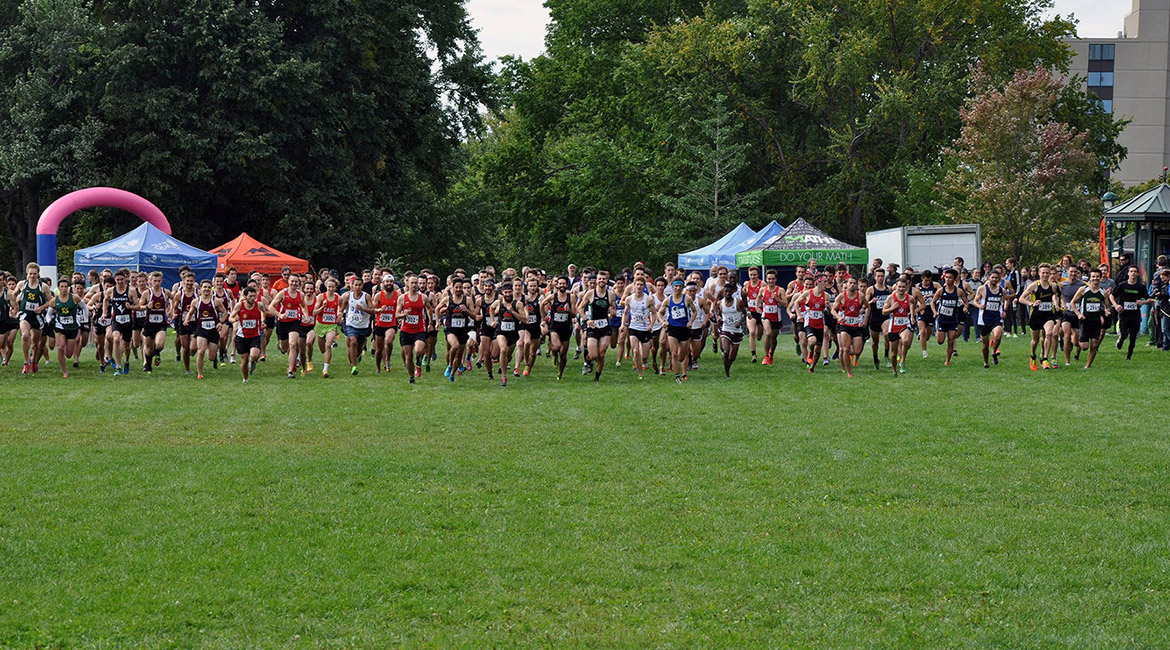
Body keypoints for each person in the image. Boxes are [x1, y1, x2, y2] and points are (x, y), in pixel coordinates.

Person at [1019, 263, 1060, 370]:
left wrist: (1056, 304)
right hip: (1036, 315)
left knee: (1049, 334)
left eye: (1048, 273)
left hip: (1048, 315)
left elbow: (1055, 295)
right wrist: (1031, 304)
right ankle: (1033, 356)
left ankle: (1045, 359)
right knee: (1035, 341)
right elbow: (1021, 299)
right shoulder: (1034, 285)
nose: (1045, 275)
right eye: (1043, 273)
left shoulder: (1053, 286)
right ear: (1039, 273)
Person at [437, 277, 478, 382]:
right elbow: (437, 309)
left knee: (459, 356)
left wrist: (467, 311)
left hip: (463, 330)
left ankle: (452, 374)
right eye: (457, 287)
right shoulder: (448, 299)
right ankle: (450, 365)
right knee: (454, 346)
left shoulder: (467, 300)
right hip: (451, 329)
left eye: (460, 287)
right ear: (452, 288)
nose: (459, 289)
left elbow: (474, 316)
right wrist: (437, 321)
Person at [185, 279, 227, 379]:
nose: (207, 289)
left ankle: (215, 357)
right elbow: (190, 313)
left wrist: (221, 322)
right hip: (201, 330)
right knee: (201, 351)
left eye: (209, 287)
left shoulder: (215, 301)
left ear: (211, 288)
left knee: (211, 357)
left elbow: (225, 312)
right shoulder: (196, 302)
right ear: (200, 289)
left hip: (213, 330)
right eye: (205, 287)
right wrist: (186, 320)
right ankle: (200, 374)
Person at [580, 271, 617, 381]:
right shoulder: (590, 293)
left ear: (606, 280)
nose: (601, 281)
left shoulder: (610, 294)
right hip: (593, 326)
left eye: (603, 279)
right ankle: (588, 361)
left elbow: (613, 307)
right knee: (594, 355)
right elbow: (580, 308)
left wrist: (612, 312)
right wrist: (587, 320)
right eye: (599, 279)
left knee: (601, 354)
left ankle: (597, 377)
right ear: (596, 281)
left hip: (605, 327)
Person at [1071, 269, 1110, 369]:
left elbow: (1107, 306)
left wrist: (1107, 311)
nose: (1095, 278)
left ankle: (1087, 366)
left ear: (1100, 277)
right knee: (1084, 347)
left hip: (1096, 321)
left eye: (1097, 276)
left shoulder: (1103, 292)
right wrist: (1078, 314)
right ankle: (1074, 338)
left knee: (1094, 345)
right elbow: (1072, 303)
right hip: (1085, 320)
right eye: (1093, 276)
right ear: (1090, 278)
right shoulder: (1083, 289)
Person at [1111, 266, 1152, 361]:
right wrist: (1116, 305)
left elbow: (1149, 299)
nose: (1133, 273)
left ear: (1137, 274)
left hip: (1135, 315)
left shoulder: (1140, 287)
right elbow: (1112, 296)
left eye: (1135, 271)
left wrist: (1143, 302)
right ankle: (1120, 341)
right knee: (1124, 334)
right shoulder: (1122, 285)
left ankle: (1129, 356)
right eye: (1131, 271)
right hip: (1124, 314)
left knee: (1133, 337)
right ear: (1128, 273)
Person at [268, 274, 306, 379]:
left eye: (296, 282)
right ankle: (281, 346)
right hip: (283, 322)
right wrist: (280, 315)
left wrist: (306, 316)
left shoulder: (301, 295)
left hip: (295, 322)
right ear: (288, 282)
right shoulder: (282, 293)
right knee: (285, 348)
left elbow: (304, 307)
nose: (294, 283)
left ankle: (290, 370)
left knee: (293, 344)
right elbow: (271, 307)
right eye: (292, 281)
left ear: (299, 283)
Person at [491, 281, 527, 387]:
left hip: (513, 333)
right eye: (505, 292)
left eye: (509, 292)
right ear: (502, 293)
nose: (507, 294)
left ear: (512, 292)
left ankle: (505, 364)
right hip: (501, 332)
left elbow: (525, 319)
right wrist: (493, 320)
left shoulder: (518, 304)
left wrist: (513, 312)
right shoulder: (499, 302)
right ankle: (504, 376)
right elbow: (491, 308)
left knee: (508, 354)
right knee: (503, 350)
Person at [229, 286, 268, 383]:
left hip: (255, 335)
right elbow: (230, 317)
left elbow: (264, 312)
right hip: (242, 336)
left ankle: (253, 361)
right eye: (250, 296)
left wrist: (262, 321)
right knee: (244, 359)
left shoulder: (259, 305)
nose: (252, 298)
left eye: (254, 296)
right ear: (245, 296)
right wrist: (234, 320)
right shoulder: (239, 305)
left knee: (254, 355)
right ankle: (245, 378)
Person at [659, 279, 694, 383]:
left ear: (682, 287)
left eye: (680, 286)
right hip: (672, 328)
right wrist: (663, 322)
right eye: (676, 286)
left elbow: (695, 311)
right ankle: (677, 376)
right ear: (672, 287)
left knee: (681, 356)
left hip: (684, 329)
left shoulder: (687, 299)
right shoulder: (668, 300)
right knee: (674, 353)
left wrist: (690, 321)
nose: (678, 288)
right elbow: (659, 313)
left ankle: (680, 368)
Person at [792, 273, 829, 373]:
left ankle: (812, 367)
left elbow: (829, 311)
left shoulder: (826, 296)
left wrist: (828, 306)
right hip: (810, 323)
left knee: (818, 350)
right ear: (819, 282)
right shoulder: (808, 293)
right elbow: (796, 302)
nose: (827, 283)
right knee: (812, 342)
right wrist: (799, 315)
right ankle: (810, 352)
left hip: (820, 324)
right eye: (824, 281)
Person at [832, 276, 868, 377]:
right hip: (845, 325)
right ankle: (848, 372)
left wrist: (865, 320)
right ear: (846, 285)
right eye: (850, 283)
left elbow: (868, 307)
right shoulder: (841, 296)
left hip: (856, 326)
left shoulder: (860, 296)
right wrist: (838, 317)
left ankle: (845, 356)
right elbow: (832, 310)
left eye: (854, 283)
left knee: (856, 351)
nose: (852, 285)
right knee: (846, 349)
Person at [397, 274, 430, 383]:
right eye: (412, 283)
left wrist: (431, 322)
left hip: (419, 329)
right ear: (407, 283)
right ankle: (411, 377)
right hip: (406, 330)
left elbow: (429, 309)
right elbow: (396, 315)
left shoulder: (423, 298)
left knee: (419, 350)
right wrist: (403, 314)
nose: (414, 285)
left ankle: (419, 361)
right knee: (408, 356)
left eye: (416, 283)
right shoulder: (402, 298)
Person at [542, 275, 576, 380]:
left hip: (566, 327)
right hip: (554, 326)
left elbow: (574, 314)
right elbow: (541, 304)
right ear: (557, 285)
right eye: (560, 283)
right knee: (556, 347)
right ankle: (554, 355)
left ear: (567, 285)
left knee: (563, 354)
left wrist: (568, 310)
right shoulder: (553, 297)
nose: (561, 285)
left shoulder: (571, 297)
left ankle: (560, 372)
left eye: (563, 284)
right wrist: (543, 319)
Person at [339, 275, 375, 375]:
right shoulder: (348, 296)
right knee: (353, 342)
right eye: (356, 285)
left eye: (360, 285)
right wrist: (340, 315)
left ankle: (356, 357)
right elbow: (342, 308)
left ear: (362, 285)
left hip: (363, 325)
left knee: (359, 347)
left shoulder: (366, 297)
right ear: (352, 286)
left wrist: (363, 309)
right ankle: (354, 366)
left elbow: (372, 311)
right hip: (351, 324)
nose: (358, 287)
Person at [932, 268, 967, 366]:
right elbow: (932, 302)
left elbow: (966, 302)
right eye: (946, 277)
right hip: (942, 319)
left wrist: (965, 307)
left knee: (951, 340)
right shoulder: (940, 290)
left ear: (954, 279)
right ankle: (938, 331)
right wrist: (935, 312)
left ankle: (947, 360)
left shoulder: (958, 291)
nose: (948, 280)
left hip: (953, 320)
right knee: (940, 341)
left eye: (950, 278)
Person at [973, 268, 1006, 368]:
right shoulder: (982, 289)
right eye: (993, 277)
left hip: (996, 317)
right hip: (984, 319)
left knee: (998, 335)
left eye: (996, 278)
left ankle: (994, 351)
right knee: (985, 344)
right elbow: (975, 301)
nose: (994, 280)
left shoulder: (1001, 290)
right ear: (989, 278)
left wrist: (1004, 310)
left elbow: (1005, 300)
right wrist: (979, 306)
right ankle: (986, 361)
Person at [882, 277, 916, 375]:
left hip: (905, 324)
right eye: (899, 287)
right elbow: (883, 312)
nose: (901, 289)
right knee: (893, 353)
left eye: (903, 287)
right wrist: (892, 308)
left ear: (906, 287)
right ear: (896, 287)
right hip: (893, 327)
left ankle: (902, 361)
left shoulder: (910, 298)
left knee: (905, 341)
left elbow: (913, 304)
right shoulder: (891, 298)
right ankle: (894, 370)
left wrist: (912, 315)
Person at [312, 277, 342, 377]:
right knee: (322, 349)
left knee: (328, 345)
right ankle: (326, 355)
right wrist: (322, 307)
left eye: (333, 287)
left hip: (331, 326)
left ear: (335, 287)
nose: (331, 289)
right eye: (329, 287)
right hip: (320, 325)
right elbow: (314, 312)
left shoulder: (338, 298)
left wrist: (339, 315)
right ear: (326, 286)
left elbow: (340, 309)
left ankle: (325, 370)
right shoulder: (321, 297)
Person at [716, 282, 747, 377]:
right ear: (723, 292)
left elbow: (745, 314)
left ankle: (728, 367)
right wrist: (718, 317)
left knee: (732, 357)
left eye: (730, 292)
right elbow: (717, 312)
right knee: (726, 352)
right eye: (726, 292)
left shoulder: (738, 302)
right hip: (726, 328)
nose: (728, 293)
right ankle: (727, 374)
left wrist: (740, 322)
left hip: (737, 330)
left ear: (733, 292)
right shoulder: (719, 303)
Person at [51, 278, 80, 377]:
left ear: (68, 288)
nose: (63, 289)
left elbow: (84, 307)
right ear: (58, 288)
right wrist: (48, 320)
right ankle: (64, 371)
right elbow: (49, 313)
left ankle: (68, 354)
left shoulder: (74, 298)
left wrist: (82, 318)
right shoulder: (55, 300)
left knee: (68, 354)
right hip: (60, 327)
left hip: (72, 328)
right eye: (61, 287)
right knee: (60, 347)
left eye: (65, 287)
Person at [865, 267, 892, 370]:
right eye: (878, 276)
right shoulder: (871, 289)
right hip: (874, 318)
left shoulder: (888, 289)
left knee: (886, 335)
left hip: (885, 317)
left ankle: (886, 355)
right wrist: (871, 302)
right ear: (875, 277)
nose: (880, 278)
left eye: (882, 276)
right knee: (875, 341)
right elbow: (865, 303)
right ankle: (875, 358)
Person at [371, 275, 399, 374]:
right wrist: (379, 309)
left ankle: (387, 359)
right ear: (383, 283)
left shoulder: (397, 295)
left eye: (391, 282)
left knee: (389, 341)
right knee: (379, 349)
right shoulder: (378, 295)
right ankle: (378, 367)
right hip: (379, 324)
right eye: (387, 281)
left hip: (391, 324)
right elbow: (373, 309)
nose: (389, 283)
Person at [1058, 267, 1085, 366]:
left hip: (1078, 315)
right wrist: (1062, 303)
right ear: (1067, 272)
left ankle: (1077, 353)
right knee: (1067, 335)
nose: (1073, 274)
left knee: (1077, 342)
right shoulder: (1062, 285)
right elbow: (1059, 296)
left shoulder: (1082, 285)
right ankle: (1067, 361)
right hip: (1067, 314)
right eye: (1071, 271)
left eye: (1075, 272)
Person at [758, 269, 786, 365]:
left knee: (773, 338)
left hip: (776, 318)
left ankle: (771, 354)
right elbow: (758, 298)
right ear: (766, 279)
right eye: (769, 279)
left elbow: (786, 304)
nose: (771, 281)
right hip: (766, 316)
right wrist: (758, 308)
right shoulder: (762, 290)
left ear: (776, 279)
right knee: (768, 333)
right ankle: (766, 356)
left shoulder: (780, 290)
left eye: (772, 279)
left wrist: (777, 299)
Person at [915, 270, 940, 358]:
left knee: (927, 336)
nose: (927, 282)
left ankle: (922, 339)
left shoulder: (935, 285)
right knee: (922, 331)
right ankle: (924, 352)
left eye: (929, 280)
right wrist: (920, 307)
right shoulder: (918, 286)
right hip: (923, 311)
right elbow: (917, 298)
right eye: (926, 280)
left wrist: (931, 296)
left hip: (931, 311)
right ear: (922, 278)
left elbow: (941, 292)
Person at [742, 267, 764, 363]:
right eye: (751, 275)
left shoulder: (762, 284)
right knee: (751, 333)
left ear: (758, 275)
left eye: (754, 274)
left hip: (760, 311)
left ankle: (759, 335)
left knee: (759, 336)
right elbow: (743, 294)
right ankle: (753, 355)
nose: (753, 277)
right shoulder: (747, 284)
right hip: (751, 311)